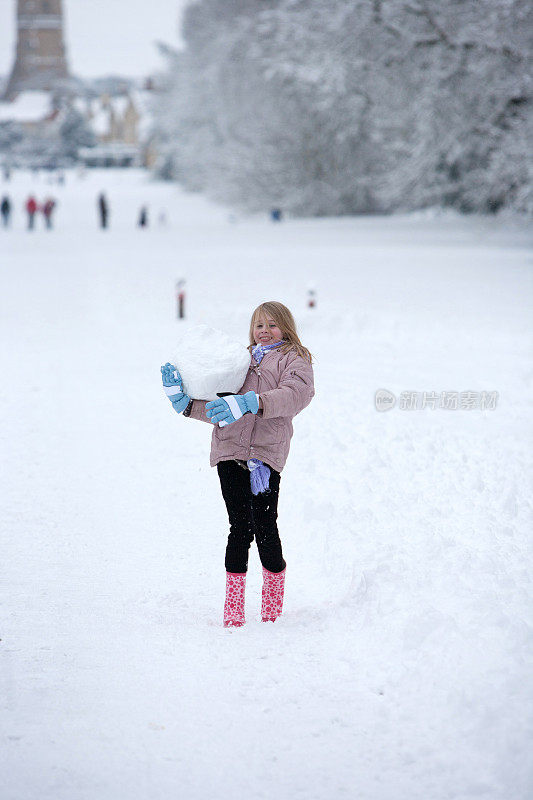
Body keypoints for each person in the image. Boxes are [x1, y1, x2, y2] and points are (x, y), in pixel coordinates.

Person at [161, 301, 315, 627]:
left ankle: (272, 609)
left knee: (264, 526)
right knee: (239, 527)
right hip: (230, 450)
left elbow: (296, 394)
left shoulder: (294, 359)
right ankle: (233, 610)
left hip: (264, 457)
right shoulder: (240, 360)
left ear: (286, 326)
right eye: (259, 325)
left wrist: (253, 402)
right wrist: (187, 403)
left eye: (272, 324)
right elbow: (221, 405)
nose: (264, 331)